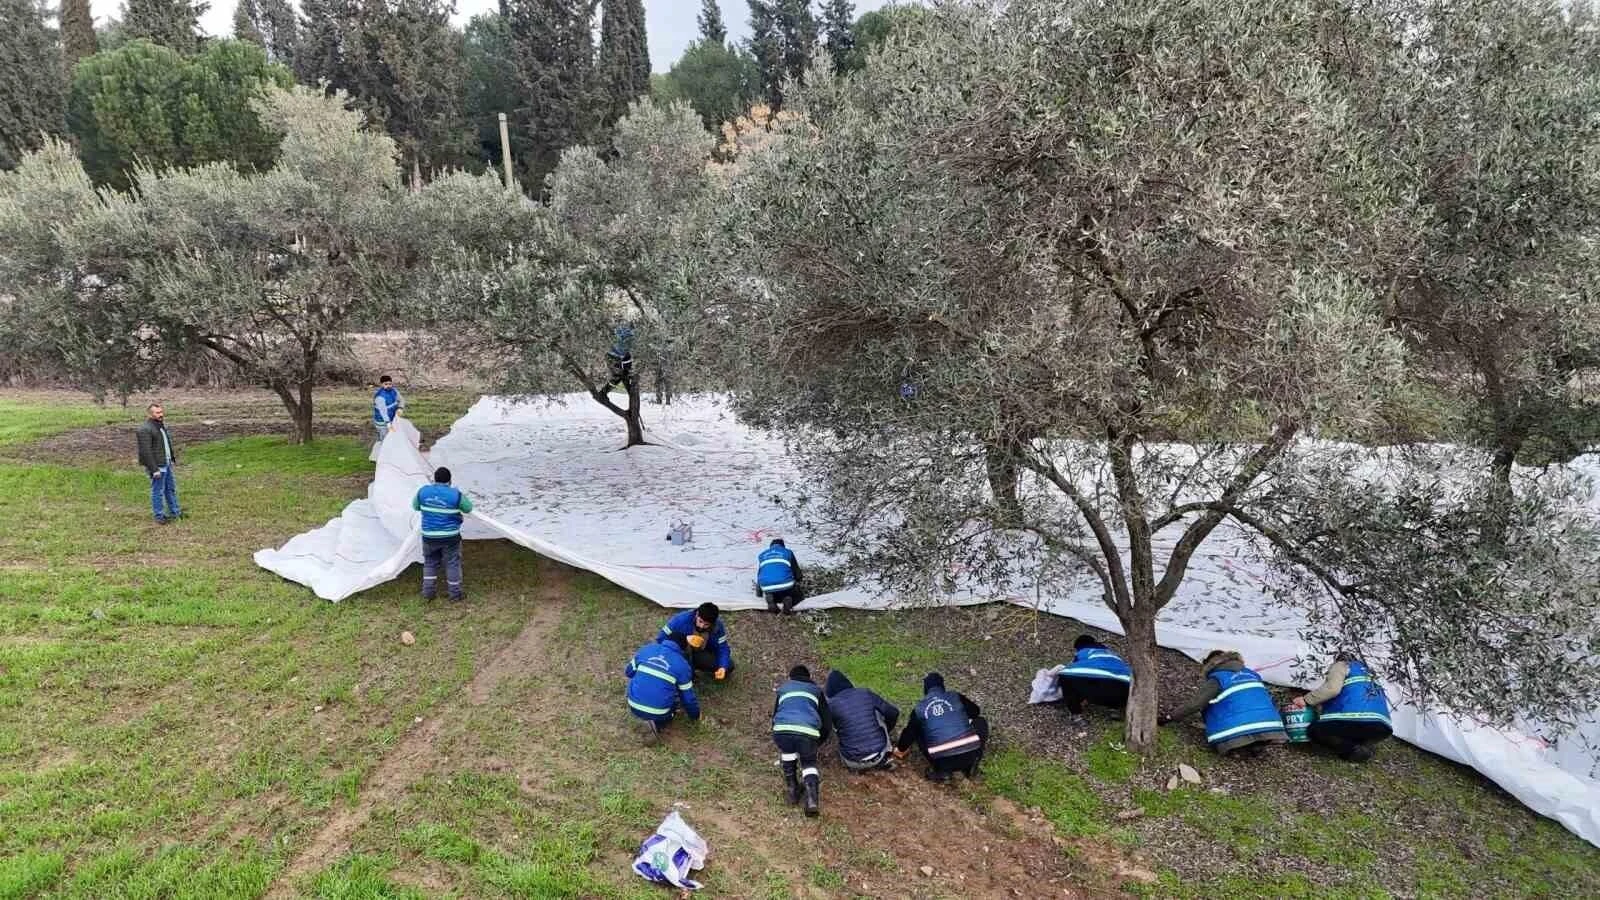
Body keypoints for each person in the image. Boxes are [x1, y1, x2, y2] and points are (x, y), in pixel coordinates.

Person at [1158, 650, 1288, 757]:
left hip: (1236, 731)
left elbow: (1195, 704)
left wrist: (1169, 717)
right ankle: (1256, 744)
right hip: (1271, 728)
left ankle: (1239, 746)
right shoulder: (1252, 675)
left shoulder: (1218, 678)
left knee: (1211, 705)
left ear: (1210, 664)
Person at [1289, 653, 1392, 762]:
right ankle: (1363, 745)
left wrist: (1306, 700)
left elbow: (1332, 689)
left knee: (1315, 730)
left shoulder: (1342, 665)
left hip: (1356, 719)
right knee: (1349, 731)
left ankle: (1353, 750)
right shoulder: (1369, 672)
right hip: (1382, 727)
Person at [893, 672, 989, 782]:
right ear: (942, 686)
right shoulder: (955, 696)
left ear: (925, 689)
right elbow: (975, 712)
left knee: (918, 729)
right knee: (980, 721)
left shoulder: (919, 708)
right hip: (970, 754)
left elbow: (909, 733)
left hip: (941, 760)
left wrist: (900, 749)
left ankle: (942, 772)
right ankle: (972, 764)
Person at [771, 665, 832, 816]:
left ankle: (792, 791)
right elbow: (827, 721)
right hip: (807, 731)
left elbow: (775, 714)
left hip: (781, 729)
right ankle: (812, 800)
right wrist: (817, 742)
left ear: (790, 677)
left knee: (788, 751)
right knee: (808, 763)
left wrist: (778, 731)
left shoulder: (783, 689)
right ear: (809, 678)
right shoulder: (816, 691)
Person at [412, 467, 473, 602]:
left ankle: (428, 592)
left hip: (428, 537)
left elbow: (415, 506)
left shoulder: (423, 491)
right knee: (452, 563)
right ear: (450, 481)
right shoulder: (455, 494)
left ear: (434, 479)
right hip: (450, 538)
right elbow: (468, 508)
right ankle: (455, 595)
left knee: (430, 562)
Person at [824, 669, 899, 772]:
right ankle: (883, 757)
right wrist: (887, 730)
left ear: (830, 691)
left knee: (838, 724)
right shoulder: (864, 693)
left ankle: (859, 766)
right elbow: (893, 712)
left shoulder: (830, 705)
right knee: (877, 713)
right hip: (879, 755)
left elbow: (824, 728)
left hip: (852, 762)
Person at [625, 635, 701, 737]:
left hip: (633, 705)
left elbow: (629, 672)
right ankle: (657, 725)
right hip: (659, 712)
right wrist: (695, 716)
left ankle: (643, 719)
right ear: (683, 648)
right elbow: (688, 699)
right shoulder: (682, 665)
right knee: (676, 700)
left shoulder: (647, 649)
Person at [1057, 635, 1132, 719]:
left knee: (1065, 675)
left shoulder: (1084, 650)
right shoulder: (1112, 654)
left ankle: (1076, 714)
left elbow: (1074, 669)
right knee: (1109, 681)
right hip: (1125, 689)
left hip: (1097, 692)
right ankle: (1115, 709)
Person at [660, 603, 732, 680]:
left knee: (729, 666)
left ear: (713, 623)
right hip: (680, 652)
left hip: (700, 653)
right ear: (697, 614)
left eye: (706, 624)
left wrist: (723, 667)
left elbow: (723, 648)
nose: (702, 626)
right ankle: (683, 671)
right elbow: (661, 639)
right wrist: (685, 639)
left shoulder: (718, 626)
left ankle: (694, 666)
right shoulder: (680, 620)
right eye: (700, 621)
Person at [136, 403, 182, 524]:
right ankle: (159, 516)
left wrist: (170, 458)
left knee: (170, 489)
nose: (161, 414)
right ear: (149, 414)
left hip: (166, 463)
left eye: (161, 412)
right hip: (158, 466)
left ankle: (175, 512)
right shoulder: (144, 429)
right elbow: (145, 451)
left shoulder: (160, 426)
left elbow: (164, 445)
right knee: (158, 491)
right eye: (157, 413)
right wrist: (154, 469)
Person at [755, 537, 804, 614]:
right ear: (783, 546)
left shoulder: (762, 555)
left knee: (774, 591)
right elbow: (797, 572)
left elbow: (759, 576)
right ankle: (788, 602)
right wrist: (798, 581)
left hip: (767, 587)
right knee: (799, 595)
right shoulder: (788, 552)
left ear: (770, 547)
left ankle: (771, 600)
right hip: (785, 585)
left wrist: (759, 595)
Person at [372, 375, 405, 445]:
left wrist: (400, 408)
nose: (388, 386)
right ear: (381, 384)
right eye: (386, 384)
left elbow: (401, 400)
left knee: (393, 436)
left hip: (393, 418)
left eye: (390, 384)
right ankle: (383, 452)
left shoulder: (394, 391)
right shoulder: (380, 397)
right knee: (385, 438)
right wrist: (388, 424)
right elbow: (383, 412)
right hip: (382, 421)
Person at [604, 323, 634, 392]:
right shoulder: (623, 333)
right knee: (620, 375)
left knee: (622, 374)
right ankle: (605, 391)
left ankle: (606, 391)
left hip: (618, 356)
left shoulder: (623, 332)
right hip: (617, 355)